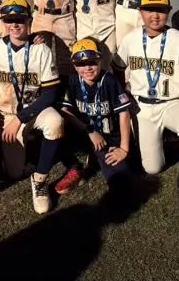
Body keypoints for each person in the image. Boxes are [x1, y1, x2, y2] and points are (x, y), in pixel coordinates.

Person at [111, 0, 179, 210]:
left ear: (168, 11)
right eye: (149, 9)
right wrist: (123, 93)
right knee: (153, 168)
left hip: (172, 102)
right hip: (141, 105)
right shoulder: (131, 38)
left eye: (161, 10)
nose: (155, 15)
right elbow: (118, 68)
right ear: (140, 11)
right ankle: (162, 143)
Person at [0, 0, 64, 215]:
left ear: (29, 21)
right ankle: (13, 157)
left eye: (20, 19)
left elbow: (50, 93)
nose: (14, 24)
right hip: (7, 112)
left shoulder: (41, 50)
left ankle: (39, 179)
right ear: (3, 23)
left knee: (56, 123)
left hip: (35, 109)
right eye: (9, 20)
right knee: (13, 173)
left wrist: (20, 119)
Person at [54, 38, 133, 196]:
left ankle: (96, 159)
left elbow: (124, 113)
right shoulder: (73, 81)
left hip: (108, 137)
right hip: (85, 133)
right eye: (81, 64)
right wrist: (89, 130)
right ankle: (75, 167)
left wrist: (124, 148)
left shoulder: (109, 80)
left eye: (92, 62)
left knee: (121, 181)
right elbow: (65, 110)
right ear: (74, 66)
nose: (87, 68)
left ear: (100, 60)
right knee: (56, 131)